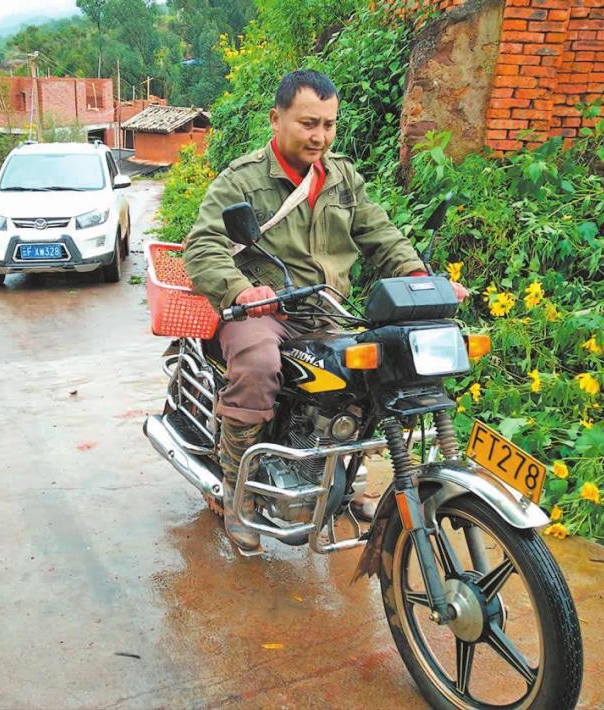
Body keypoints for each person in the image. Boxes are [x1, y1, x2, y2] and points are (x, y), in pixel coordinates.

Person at [184, 69, 468, 554]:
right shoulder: (243, 180)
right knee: (257, 365)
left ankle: (339, 476)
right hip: (264, 312)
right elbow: (202, 244)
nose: (320, 136)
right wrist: (240, 291)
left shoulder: (341, 178)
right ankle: (237, 490)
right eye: (308, 123)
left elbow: (381, 235)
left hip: (327, 310)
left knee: (374, 371)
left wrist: (422, 278)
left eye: (329, 125)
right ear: (277, 119)